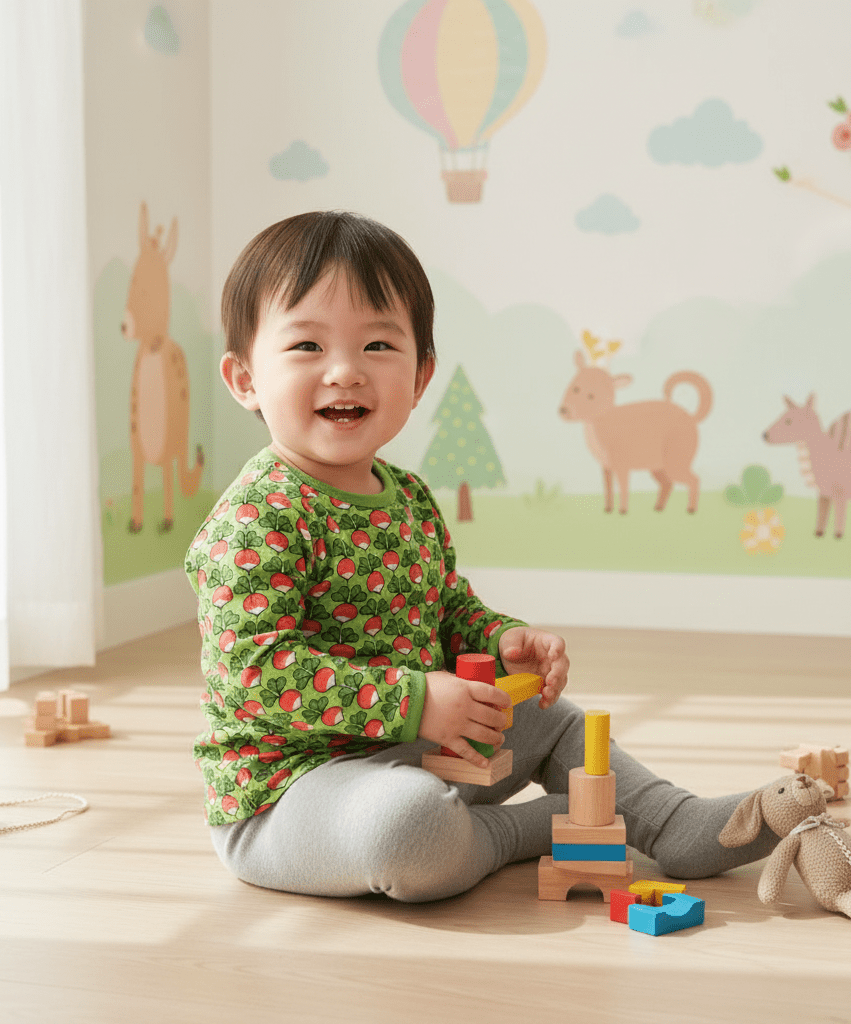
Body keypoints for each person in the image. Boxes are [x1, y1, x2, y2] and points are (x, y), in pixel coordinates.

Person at [184, 210, 776, 902]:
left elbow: (442, 605)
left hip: (410, 746)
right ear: (245, 378)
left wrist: (499, 639)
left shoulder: (406, 497)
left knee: (553, 719)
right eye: (307, 346)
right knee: (407, 829)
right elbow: (253, 677)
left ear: (421, 375)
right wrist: (410, 701)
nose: (344, 372)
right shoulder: (258, 516)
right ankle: (521, 834)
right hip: (291, 794)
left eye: (378, 345)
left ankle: (671, 822)